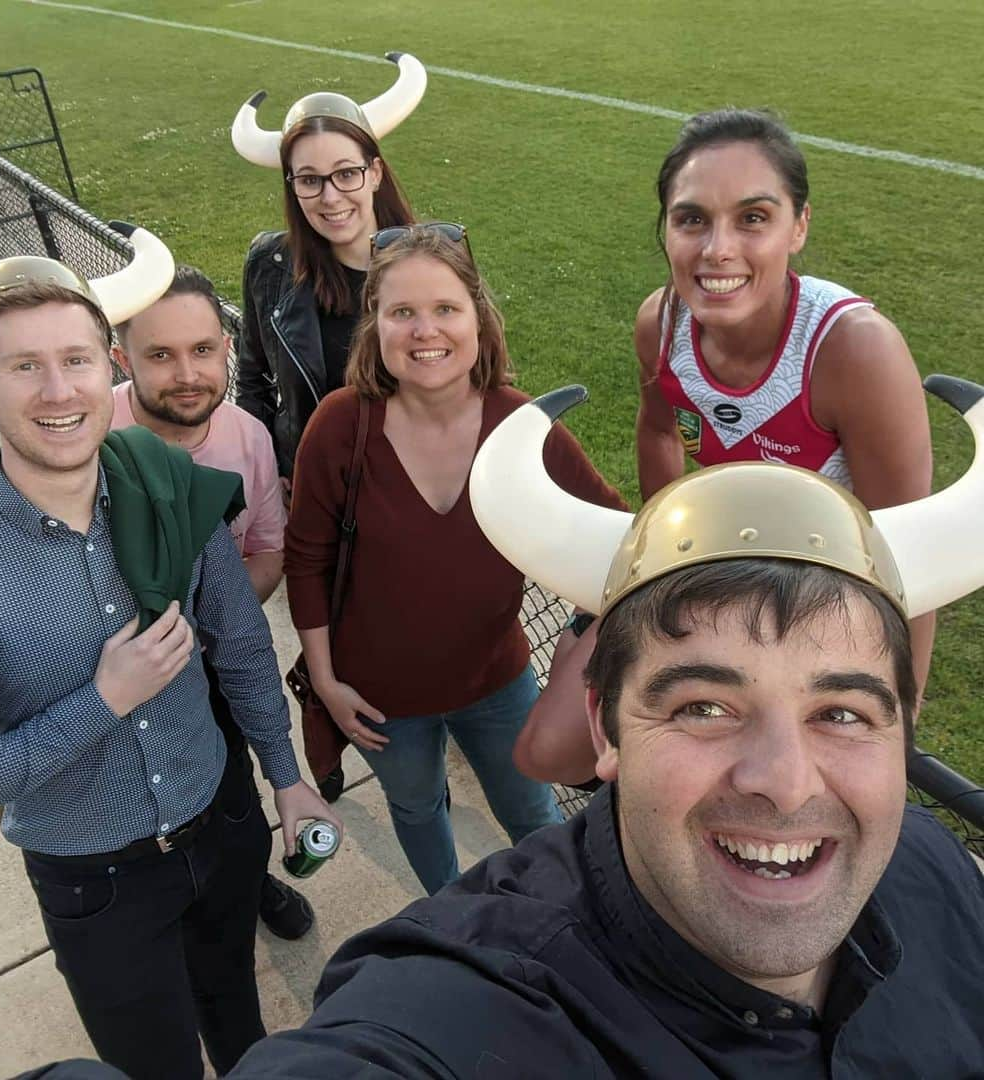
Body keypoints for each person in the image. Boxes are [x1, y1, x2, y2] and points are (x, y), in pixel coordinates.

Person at [226, 379, 984, 1077]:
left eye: (842, 714)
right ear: (606, 727)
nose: (785, 785)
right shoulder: (470, 1007)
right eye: (704, 708)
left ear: (901, 728)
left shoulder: (935, 868)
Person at [0, 252, 340, 1080]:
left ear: (104, 364)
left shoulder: (168, 484)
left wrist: (287, 778)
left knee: (239, 1020)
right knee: (156, 1065)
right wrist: (103, 699)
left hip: (220, 825)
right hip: (94, 882)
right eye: (23, 366)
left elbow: (242, 646)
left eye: (73, 360)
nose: (58, 391)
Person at [516, 107, 936, 786]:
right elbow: (662, 427)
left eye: (753, 218)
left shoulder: (854, 349)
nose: (717, 250)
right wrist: (665, 554)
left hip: (826, 597)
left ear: (799, 226)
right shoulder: (663, 322)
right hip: (716, 562)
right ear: (666, 230)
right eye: (691, 219)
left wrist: (897, 711)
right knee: (549, 752)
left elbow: (911, 553)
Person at [283, 224, 626, 896]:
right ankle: (453, 915)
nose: (424, 331)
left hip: (497, 684)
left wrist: (581, 636)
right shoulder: (341, 426)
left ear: (478, 317)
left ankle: (560, 917)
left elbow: (621, 538)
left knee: (532, 813)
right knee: (417, 808)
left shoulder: (522, 429)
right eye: (401, 312)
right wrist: (325, 681)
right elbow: (306, 562)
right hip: (378, 700)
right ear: (374, 326)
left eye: (445, 309)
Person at [231, 53, 425, 802]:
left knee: (402, 634)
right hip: (312, 498)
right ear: (290, 186)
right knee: (330, 640)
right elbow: (252, 377)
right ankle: (325, 725)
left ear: (375, 172)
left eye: (346, 173)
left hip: (409, 495)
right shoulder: (270, 265)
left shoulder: (426, 257)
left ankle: (414, 726)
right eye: (308, 178)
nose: (329, 195)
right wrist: (263, 470)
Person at [111, 263, 313, 939]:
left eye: (202, 350)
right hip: (117, 674)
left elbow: (266, 549)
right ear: (122, 358)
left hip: (216, 663)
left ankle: (251, 882)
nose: (187, 373)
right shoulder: (88, 433)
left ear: (227, 344)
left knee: (236, 794)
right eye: (160, 356)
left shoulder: (248, 439)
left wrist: (211, 626)